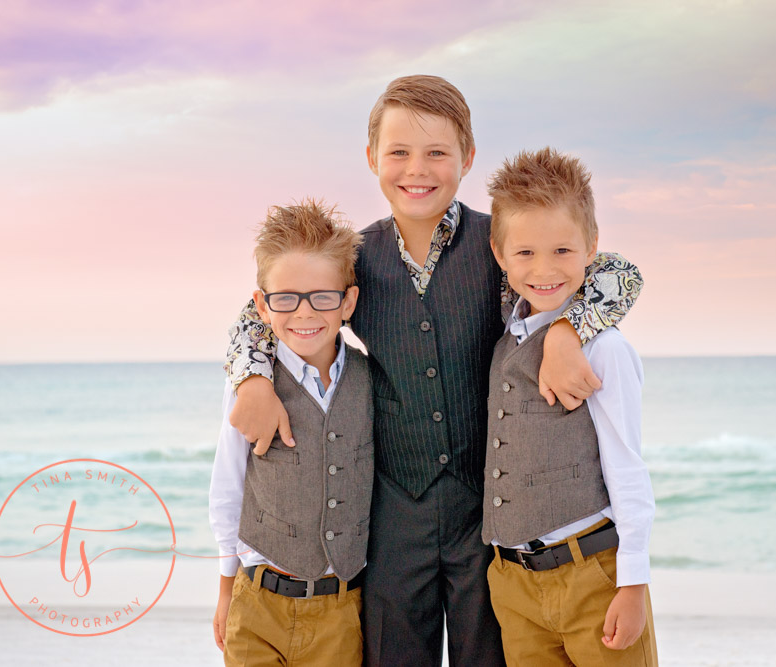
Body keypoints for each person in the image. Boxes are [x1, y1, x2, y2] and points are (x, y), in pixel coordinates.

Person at [222, 75, 644, 666]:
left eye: (437, 153)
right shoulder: (355, 258)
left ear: (467, 159)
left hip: (488, 506)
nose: (416, 169)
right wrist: (252, 377)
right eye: (398, 152)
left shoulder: (499, 244)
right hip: (395, 509)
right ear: (372, 159)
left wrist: (572, 331)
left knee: (489, 653)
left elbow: (618, 272)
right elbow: (261, 307)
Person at [483, 147, 658, 666]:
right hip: (513, 583)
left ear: (592, 248)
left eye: (563, 250)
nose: (544, 270)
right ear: (499, 253)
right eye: (525, 254)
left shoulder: (605, 348)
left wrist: (634, 583)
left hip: (592, 574)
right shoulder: (506, 333)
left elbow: (627, 466)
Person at [209, 200, 372, 666]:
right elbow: (228, 485)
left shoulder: (368, 380)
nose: (305, 313)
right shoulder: (248, 385)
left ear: (349, 301)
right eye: (286, 298)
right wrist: (224, 590)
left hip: (341, 609)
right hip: (257, 603)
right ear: (261, 304)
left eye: (323, 296)